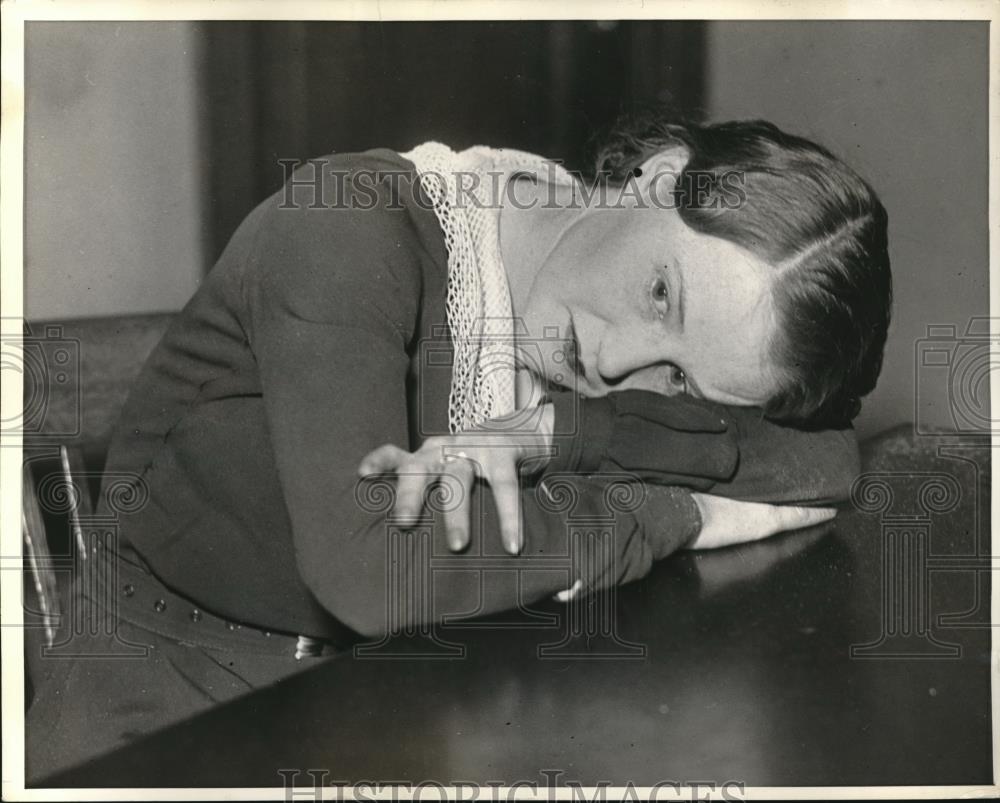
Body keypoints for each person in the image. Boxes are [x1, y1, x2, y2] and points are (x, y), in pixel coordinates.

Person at [25, 113, 891, 780]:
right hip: (163, 722)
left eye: (680, 383)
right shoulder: (350, 228)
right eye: (661, 294)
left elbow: (826, 460)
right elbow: (367, 571)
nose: (619, 360)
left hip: (402, 704)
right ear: (656, 178)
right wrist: (670, 513)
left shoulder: (585, 334)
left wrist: (575, 429)